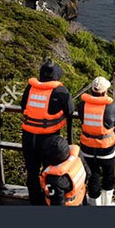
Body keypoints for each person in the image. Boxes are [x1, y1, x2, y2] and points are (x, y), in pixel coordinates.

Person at [21, 60, 74, 205]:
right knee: (50, 173)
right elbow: (70, 110)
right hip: (49, 141)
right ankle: (49, 201)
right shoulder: (61, 91)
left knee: (32, 173)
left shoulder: (30, 88)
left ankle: (35, 202)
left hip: (28, 138)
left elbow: (22, 106)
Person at [78, 76, 115, 206]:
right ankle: (107, 203)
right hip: (106, 149)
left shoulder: (82, 105)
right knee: (108, 177)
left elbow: (82, 119)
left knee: (93, 176)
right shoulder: (111, 107)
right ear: (104, 92)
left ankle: (94, 204)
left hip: (87, 147)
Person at [39, 136, 90, 206]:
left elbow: (57, 203)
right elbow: (88, 173)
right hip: (81, 198)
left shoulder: (55, 180)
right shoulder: (78, 155)